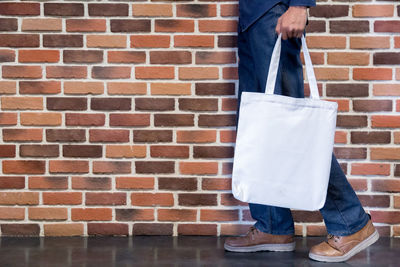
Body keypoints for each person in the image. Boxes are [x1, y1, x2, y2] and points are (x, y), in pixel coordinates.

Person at [224, 0, 380, 263]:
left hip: (273, 11)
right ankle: (272, 225)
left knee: (289, 129)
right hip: (251, 15)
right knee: (260, 126)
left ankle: (351, 222)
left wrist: (299, 5)